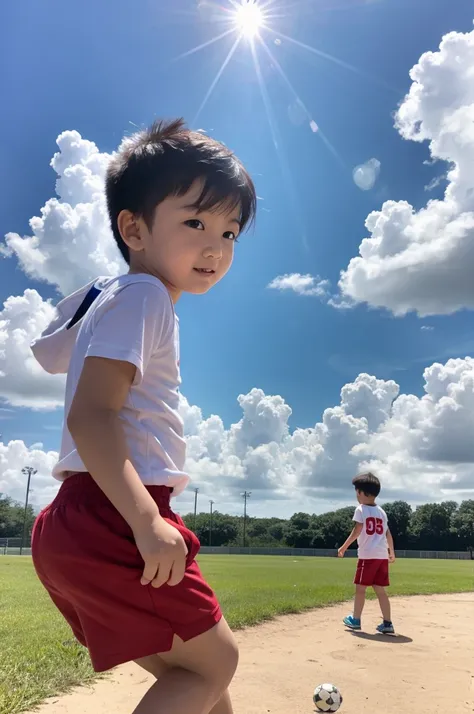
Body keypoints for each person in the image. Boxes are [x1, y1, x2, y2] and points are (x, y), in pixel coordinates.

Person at [30, 118, 257, 714]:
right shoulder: (145, 294)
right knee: (217, 661)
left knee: (203, 679)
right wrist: (144, 521)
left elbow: (52, 351)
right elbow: (92, 416)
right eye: (195, 222)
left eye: (231, 232)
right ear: (133, 227)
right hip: (114, 511)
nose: (216, 246)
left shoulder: (119, 295)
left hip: (76, 519)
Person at [337, 472, 396, 634]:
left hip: (367, 556)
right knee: (380, 591)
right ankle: (388, 623)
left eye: (357, 491)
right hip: (381, 556)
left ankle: (356, 619)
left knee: (360, 589)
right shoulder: (382, 512)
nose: (356, 495)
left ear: (362, 493)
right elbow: (387, 533)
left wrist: (343, 547)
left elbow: (357, 530)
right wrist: (391, 551)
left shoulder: (361, 509)